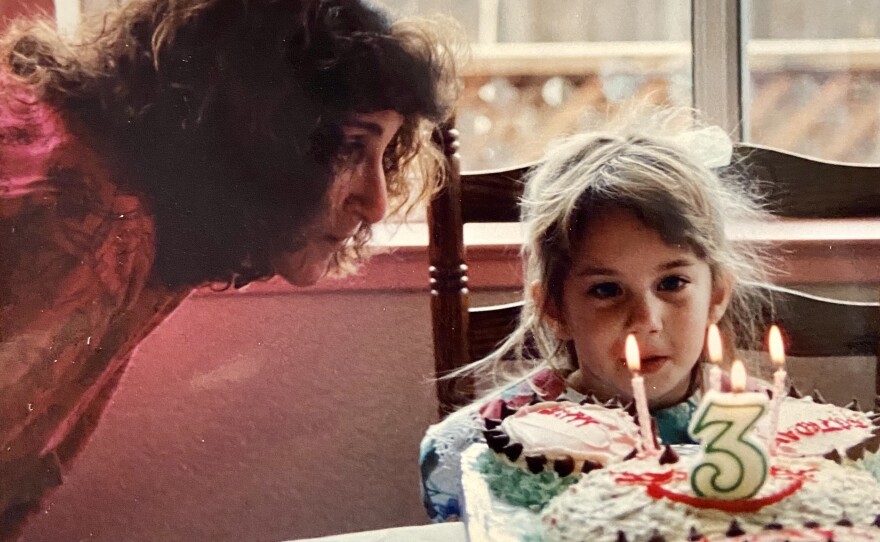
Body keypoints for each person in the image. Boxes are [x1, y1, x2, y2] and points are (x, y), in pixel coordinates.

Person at [0, 0, 459, 535]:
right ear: (254, 127)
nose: (377, 202)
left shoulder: (135, 209)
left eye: (384, 153)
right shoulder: (98, 227)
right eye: (350, 145)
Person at [418, 110, 775, 522]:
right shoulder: (480, 450)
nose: (647, 319)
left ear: (717, 294)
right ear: (554, 308)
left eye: (672, 283)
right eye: (607, 290)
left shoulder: (768, 431)